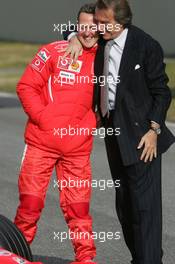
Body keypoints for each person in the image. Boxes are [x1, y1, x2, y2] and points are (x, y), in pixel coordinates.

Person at [64, 0, 175, 263]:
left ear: (122, 21)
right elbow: (75, 28)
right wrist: (73, 38)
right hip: (114, 134)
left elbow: (162, 93)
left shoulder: (146, 46)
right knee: (125, 206)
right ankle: (142, 257)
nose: (97, 29)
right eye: (97, 22)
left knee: (145, 209)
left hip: (142, 138)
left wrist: (154, 130)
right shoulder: (102, 39)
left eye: (104, 23)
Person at [14, 3, 99, 264]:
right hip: (41, 143)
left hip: (77, 148)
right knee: (30, 206)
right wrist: (44, 119)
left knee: (79, 210)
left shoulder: (107, 57)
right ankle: (15, 255)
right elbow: (26, 86)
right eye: (82, 26)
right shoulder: (53, 51)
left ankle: (85, 259)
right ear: (76, 25)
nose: (87, 32)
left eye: (93, 26)